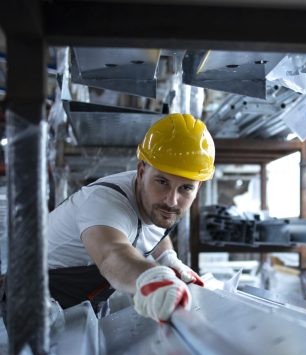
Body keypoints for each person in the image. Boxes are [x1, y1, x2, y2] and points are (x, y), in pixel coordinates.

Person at [47, 113, 215, 322]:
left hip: (83, 304)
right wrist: (152, 277)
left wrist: (168, 258)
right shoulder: (105, 203)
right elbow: (112, 255)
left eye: (186, 188)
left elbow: (157, 228)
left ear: (198, 187)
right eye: (162, 181)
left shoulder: (157, 204)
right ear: (141, 171)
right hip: (39, 303)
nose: (171, 200)